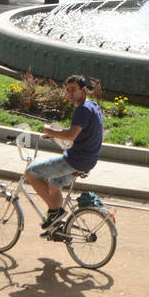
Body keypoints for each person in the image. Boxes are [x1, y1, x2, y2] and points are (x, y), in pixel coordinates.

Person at [26, 75, 103, 233]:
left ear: (84, 90)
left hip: (75, 159)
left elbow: (70, 136)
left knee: (31, 172)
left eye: (73, 89)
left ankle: (56, 211)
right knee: (54, 183)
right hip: (89, 159)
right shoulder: (92, 106)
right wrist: (56, 134)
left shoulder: (83, 109)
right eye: (67, 90)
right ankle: (56, 226)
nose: (69, 93)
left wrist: (50, 131)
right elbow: (78, 132)